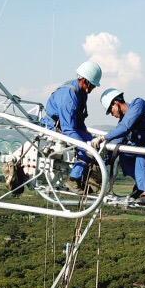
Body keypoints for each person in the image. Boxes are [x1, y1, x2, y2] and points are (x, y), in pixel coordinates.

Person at [93, 88, 145, 206]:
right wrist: (100, 159)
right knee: (125, 155)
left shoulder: (138, 104)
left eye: (111, 110)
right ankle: (140, 183)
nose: (112, 114)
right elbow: (118, 140)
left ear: (116, 103)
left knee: (142, 156)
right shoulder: (124, 120)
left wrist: (103, 138)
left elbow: (124, 128)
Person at [40, 60, 102, 192]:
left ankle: (88, 177)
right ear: (85, 81)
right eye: (92, 86)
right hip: (55, 127)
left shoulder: (81, 92)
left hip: (70, 125)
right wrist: (86, 145)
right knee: (86, 149)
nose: (93, 89)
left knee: (94, 145)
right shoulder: (69, 95)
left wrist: (89, 139)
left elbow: (78, 121)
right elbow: (68, 128)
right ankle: (74, 179)